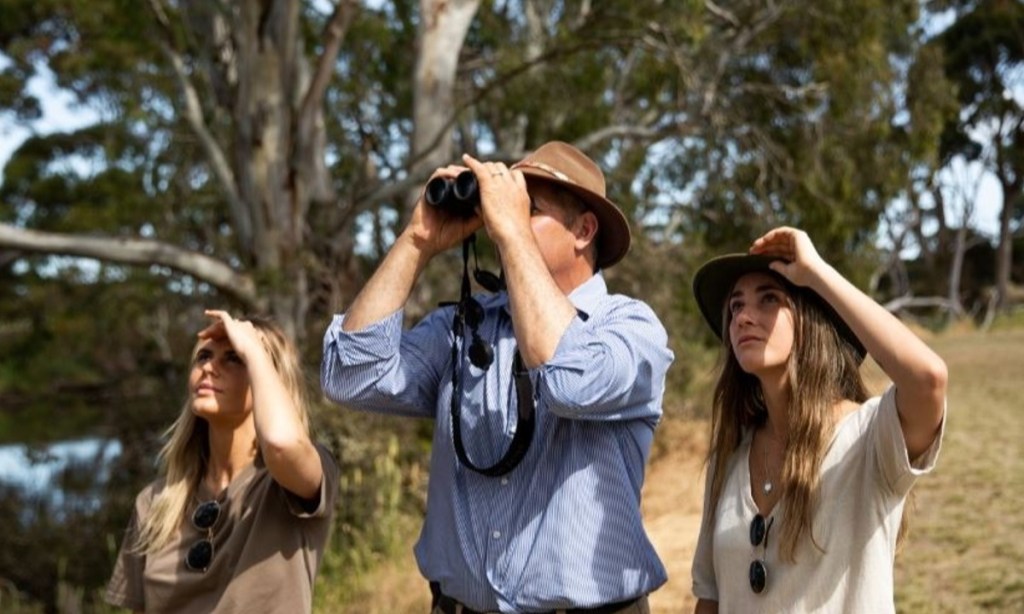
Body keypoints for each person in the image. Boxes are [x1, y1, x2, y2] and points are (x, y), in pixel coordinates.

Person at [322, 141, 674, 613]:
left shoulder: (630, 328)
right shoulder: (465, 327)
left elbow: (568, 379)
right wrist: (416, 241)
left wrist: (513, 235)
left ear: (584, 230)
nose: (498, 218)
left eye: (529, 208)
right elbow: (350, 375)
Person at [689, 227, 948, 613]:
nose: (744, 316)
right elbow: (710, 598)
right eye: (736, 306)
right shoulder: (731, 454)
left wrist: (816, 274)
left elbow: (928, 379)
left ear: (810, 321)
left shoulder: (868, 437)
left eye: (769, 299)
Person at [105, 310, 339, 614]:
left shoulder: (291, 482)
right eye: (203, 356)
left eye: (233, 358)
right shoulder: (153, 502)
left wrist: (253, 347)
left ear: (267, 377)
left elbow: (282, 444)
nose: (209, 368)